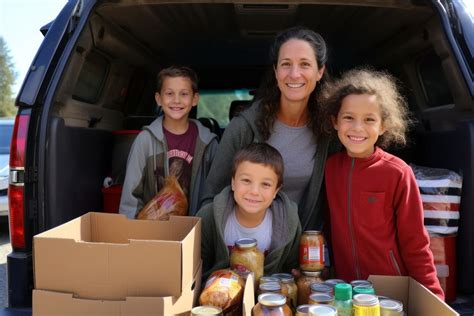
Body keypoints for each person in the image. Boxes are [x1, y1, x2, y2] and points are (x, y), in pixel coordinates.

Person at [321, 68, 444, 300]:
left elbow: (416, 244)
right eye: (348, 117)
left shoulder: (397, 173)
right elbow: (328, 227)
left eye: (369, 119)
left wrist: (434, 300)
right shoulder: (330, 168)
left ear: (383, 126)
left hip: (390, 292)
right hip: (345, 291)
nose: (357, 128)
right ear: (334, 121)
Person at [202, 26, 339, 231]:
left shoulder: (330, 131)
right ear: (275, 71)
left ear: (320, 71)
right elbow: (211, 199)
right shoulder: (242, 128)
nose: (294, 74)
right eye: (286, 64)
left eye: (304, 64)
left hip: (302, 251)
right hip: (245, 250)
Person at [119, 65, 218, 218]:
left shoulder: (208, 144)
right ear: (159, 99)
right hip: (153, 232)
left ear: (195, 99)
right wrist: (132, 233)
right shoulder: (145, 141)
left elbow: (216, 194)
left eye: (184, 94)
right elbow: (130, 198)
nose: (176, 100)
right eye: (169, 93)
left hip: (196, 229)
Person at [197, 143, 301, 279]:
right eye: (246, 180)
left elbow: (291, 270)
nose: (254, 191)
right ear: (233, 182)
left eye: (265, 184)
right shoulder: (209, 217)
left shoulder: (288, 221)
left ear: (276, 191)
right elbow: (197, 270)